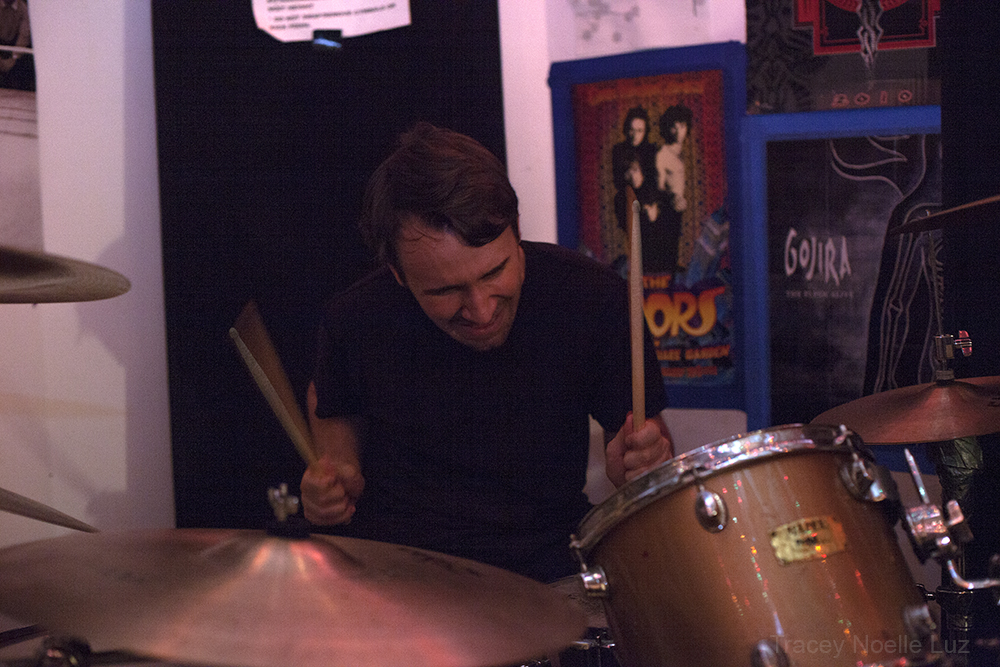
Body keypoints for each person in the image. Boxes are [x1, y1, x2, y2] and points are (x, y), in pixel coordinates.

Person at [300, 123, 673, 583]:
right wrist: (336, 476)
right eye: (445, 291)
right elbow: (330, 400)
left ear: (517, 233)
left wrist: (642, 461)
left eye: (494, 272)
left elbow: (648, 438)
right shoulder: (356, 318)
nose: (480, 310)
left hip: (548, 570)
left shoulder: (592, 297)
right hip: (403, 574)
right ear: (398, 274)